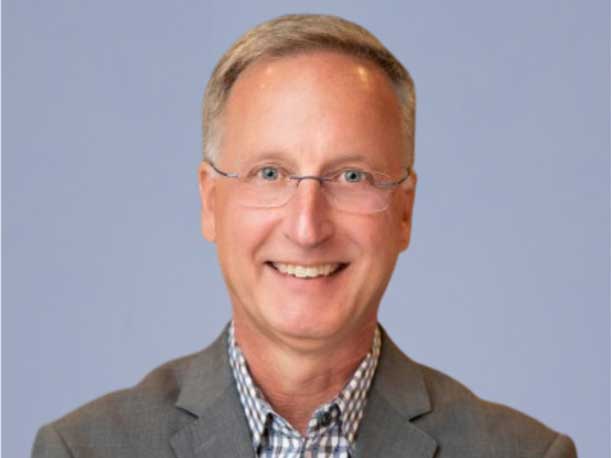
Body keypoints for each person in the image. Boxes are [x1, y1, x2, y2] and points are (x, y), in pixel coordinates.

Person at [32, 14, 577, 458]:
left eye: (352, 176)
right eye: (269, 173)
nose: (306, 227)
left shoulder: (523, 453)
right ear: (210, 202)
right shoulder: (85, 450)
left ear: (404, 212)